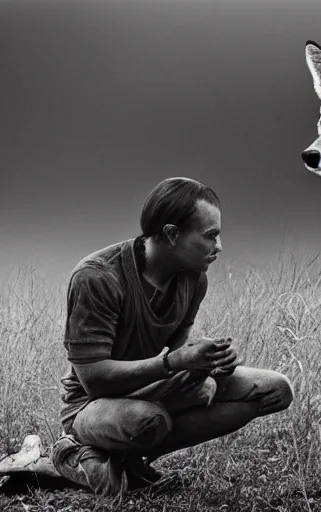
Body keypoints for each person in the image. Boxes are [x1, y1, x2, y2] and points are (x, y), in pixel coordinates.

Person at [51, 177, 294, 496]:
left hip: (151, 388)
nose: (219, 247)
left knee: (275, 390)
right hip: (90, 404)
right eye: (211, 236)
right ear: (171, 234)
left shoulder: (193, 280)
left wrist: (210, 362)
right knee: (149, 422)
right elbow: (94, 380)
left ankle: (130, 459)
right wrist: (173, 362)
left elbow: (179, 356)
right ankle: (72, 451)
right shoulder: (97, 277)